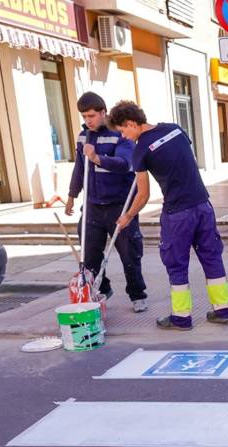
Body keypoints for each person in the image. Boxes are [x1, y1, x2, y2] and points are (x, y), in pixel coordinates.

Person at [107, 101, 228, 331]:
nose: (124, 137)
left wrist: (127, 217)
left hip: (177, 214)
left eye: (123, 131)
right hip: (203, 205)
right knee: (212, 257)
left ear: (131, 123)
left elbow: (143, 195)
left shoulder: (140, 151)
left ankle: (182, 317)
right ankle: (223, 309)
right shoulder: (175, 128)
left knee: (176, 264)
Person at [65, 92, 147, 313]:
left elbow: (125, 164)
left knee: (128, 253)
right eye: (84, 116)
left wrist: (97, 158)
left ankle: (137, 294)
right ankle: (102, 287)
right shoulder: (83, 137)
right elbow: (79, 168)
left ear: (103, 112)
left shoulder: (119, 134)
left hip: (119, 204)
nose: (88, 120)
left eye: (91, 115)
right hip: (92, 205)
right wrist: (72, 195)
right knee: (89, 254)